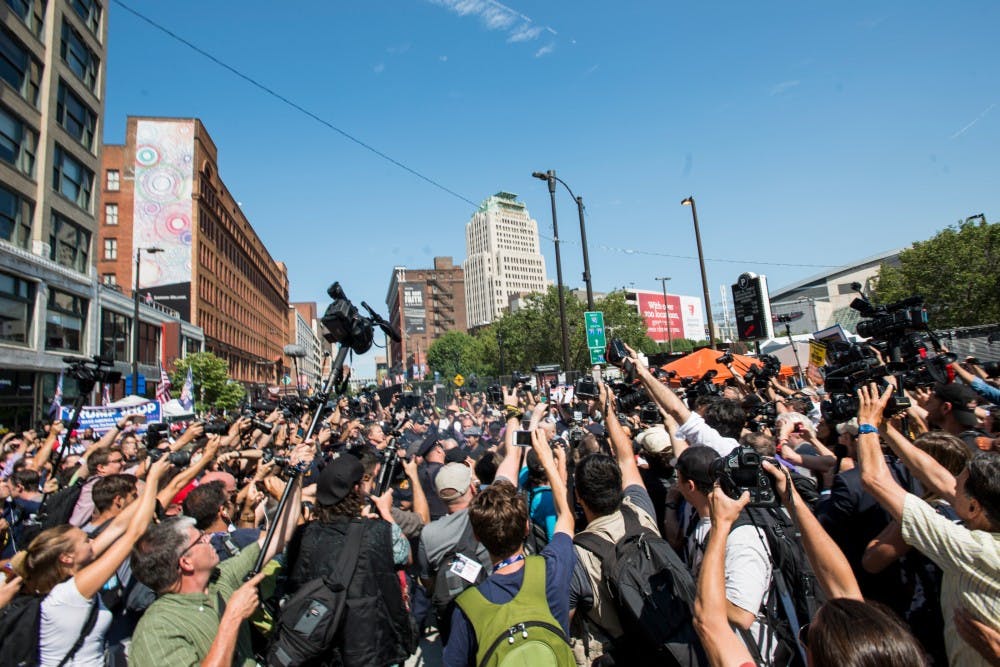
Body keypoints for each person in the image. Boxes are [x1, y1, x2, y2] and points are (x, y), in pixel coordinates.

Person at [856, 383, 1000, 667]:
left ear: (973, 507)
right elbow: (938, 477)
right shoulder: (985, 517)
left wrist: (867, 425)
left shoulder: (971, 549)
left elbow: (875, 480)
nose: (950, 486)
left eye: (959, 486)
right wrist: (887, 429)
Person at [129, 469, 301, 667]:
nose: (208, 538)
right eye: (200, 539)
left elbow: (279, 537)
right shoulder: (157, 629)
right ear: (186, 562)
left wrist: (297, 476)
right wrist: (233, 616)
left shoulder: (221, 578)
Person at [16, 457, 169, 666]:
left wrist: (142, 488)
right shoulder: (71, 593)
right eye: (83, 541)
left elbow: (118, 525)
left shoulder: (67, 573)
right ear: (67, 558)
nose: (90, 540)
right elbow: (134, 533)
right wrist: (152, 482)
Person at [443, 428, 575, 667]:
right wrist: (550, 461)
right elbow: (566, 515)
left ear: (477, 536)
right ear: (526, 527)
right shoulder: (551, 568)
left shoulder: (467, 608)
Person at [285, 453, 412, 666]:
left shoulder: (302, 534)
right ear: (355, 489)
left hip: (316, 641)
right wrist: (385, 512)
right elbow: (406, 555)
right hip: (367, 645)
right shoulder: (379, 531)